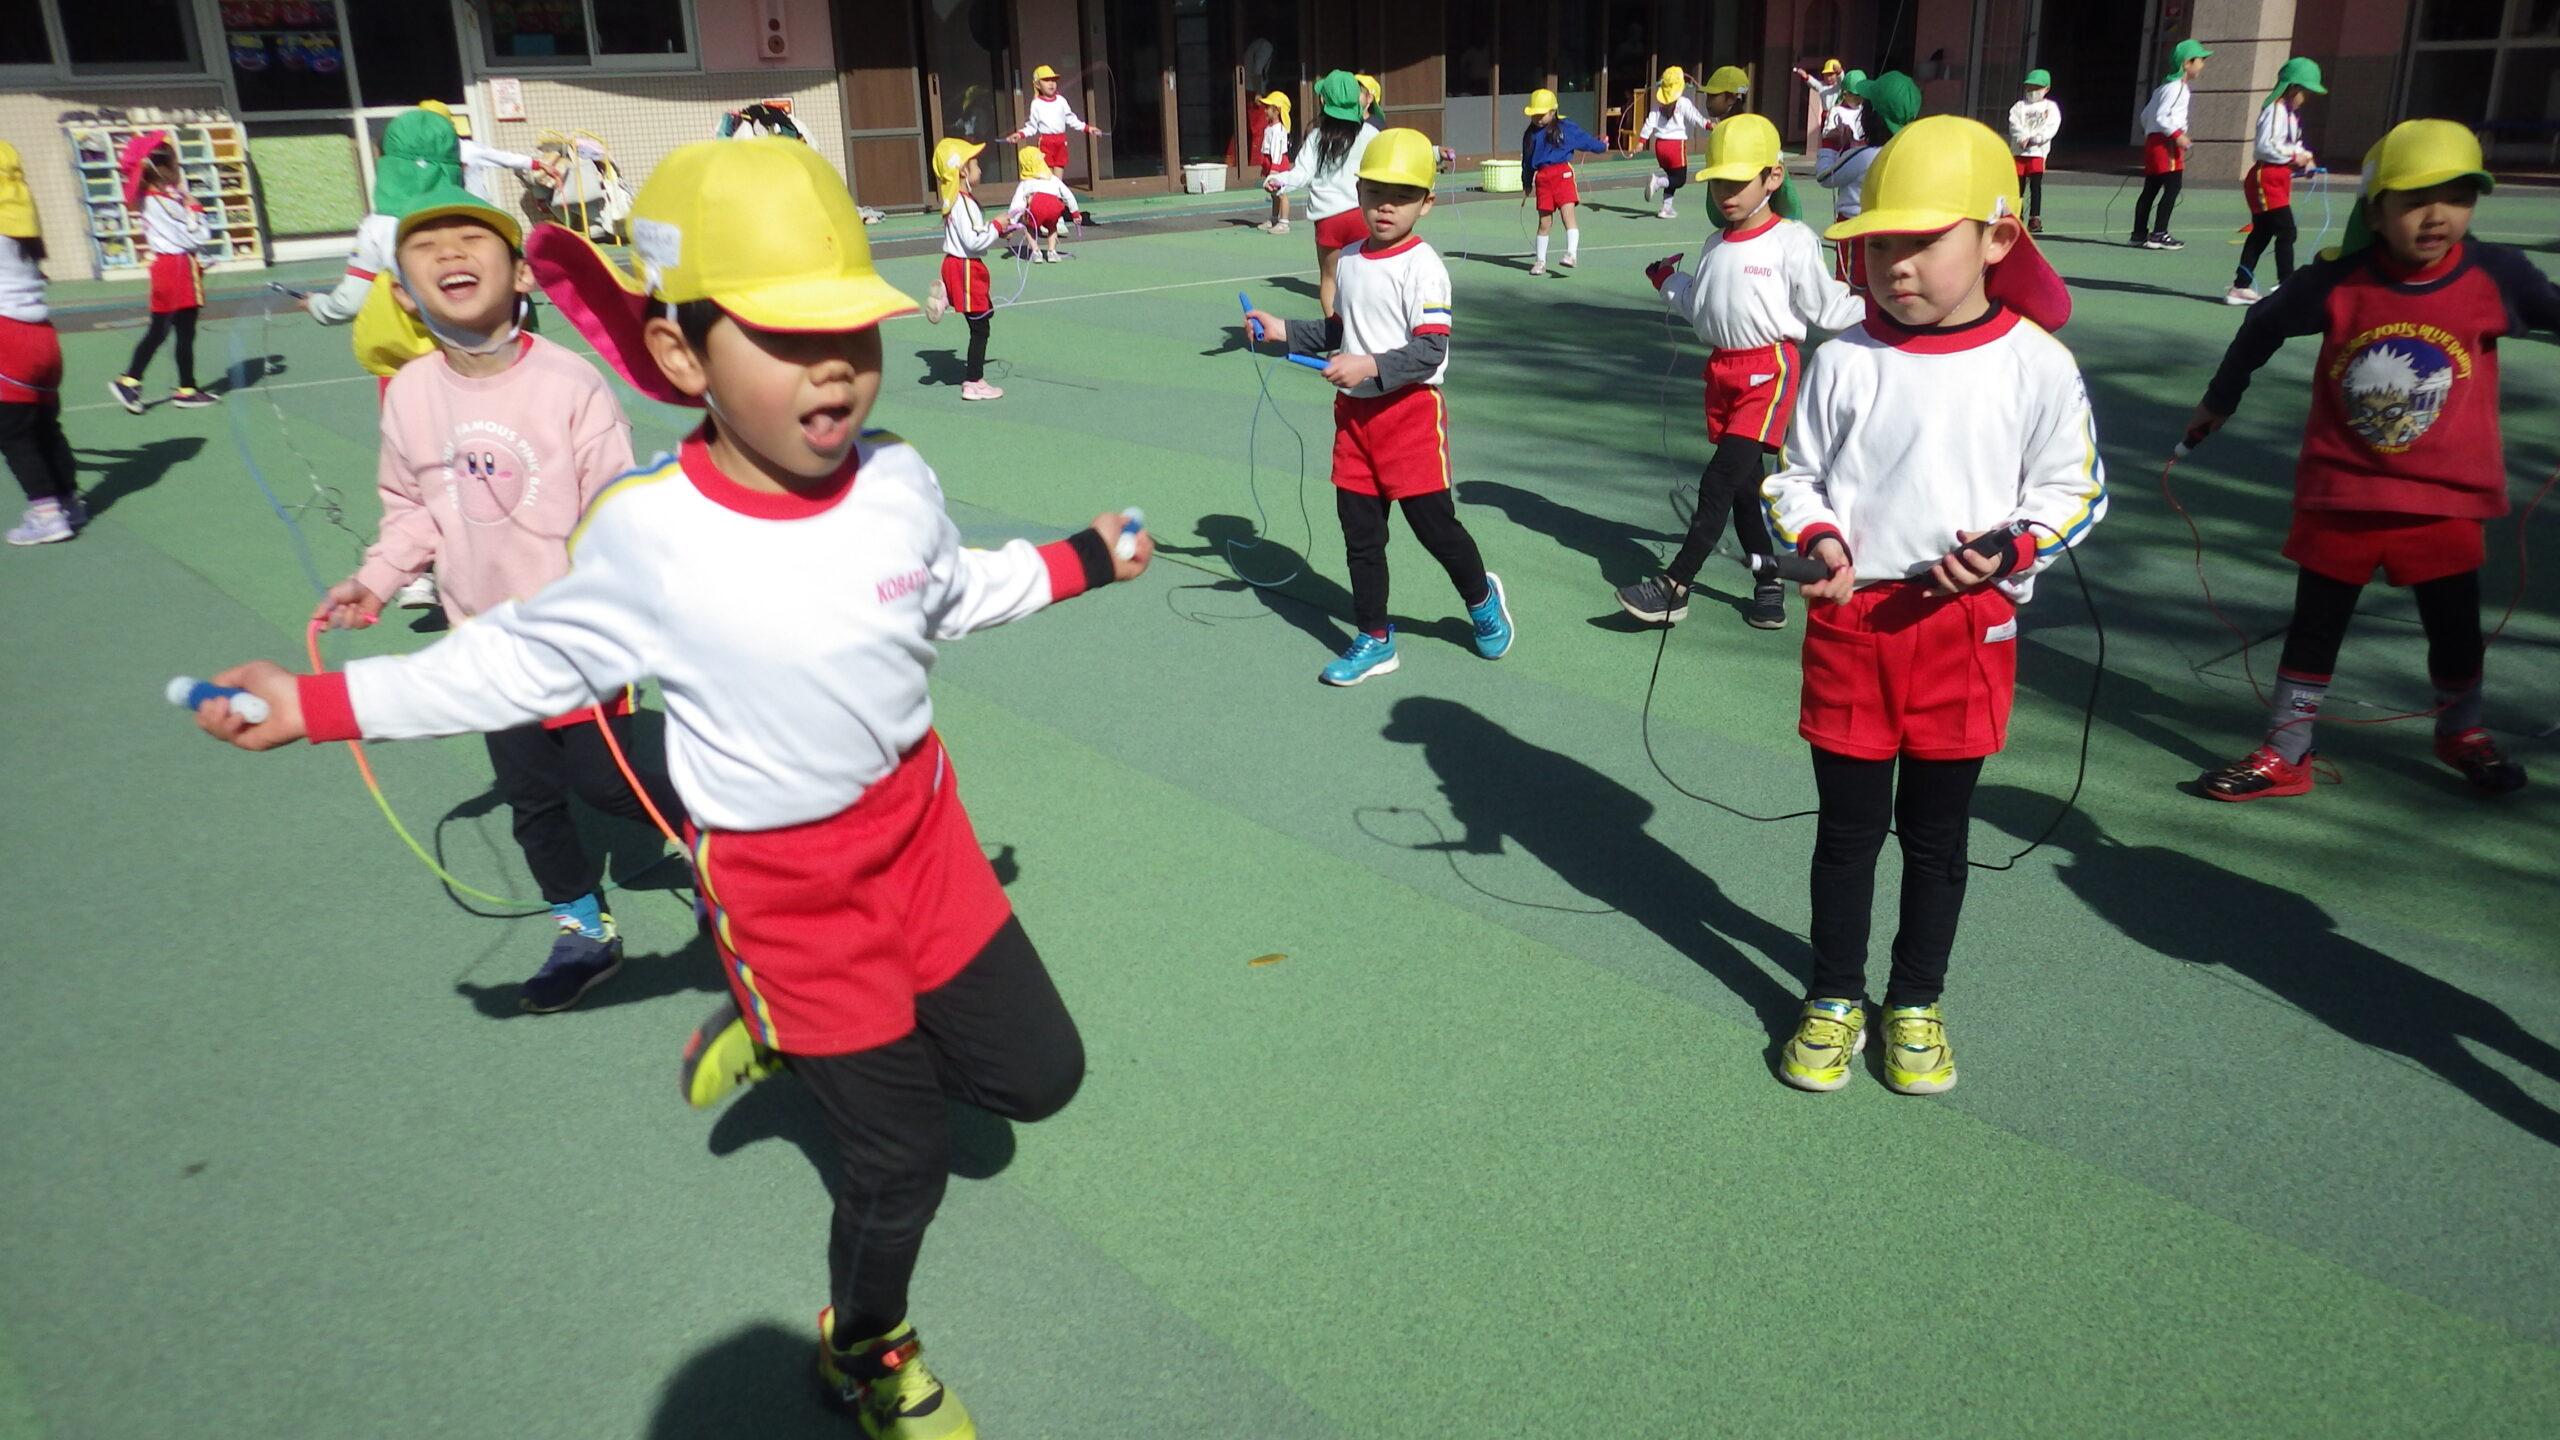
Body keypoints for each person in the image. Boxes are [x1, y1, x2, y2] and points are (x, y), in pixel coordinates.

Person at [188, 136, 1152, 1440]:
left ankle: (777, 1023)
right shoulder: (649, 534)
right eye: (785, 335)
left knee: (1037, 1081)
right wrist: (314, 705)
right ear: (681, 354)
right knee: (904, 1162)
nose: (834, 365)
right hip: (787, 886)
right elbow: (506, 664)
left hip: (925, 834)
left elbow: (950, 591)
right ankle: (864, 1345)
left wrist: (1082, 558)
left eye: (851, 329)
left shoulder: (896, 478)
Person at [1763, 115, 2104, 1095]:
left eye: (1921, 241)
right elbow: (1794, 477)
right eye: (1878, 246)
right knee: (1846, 835)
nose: (1895, 266)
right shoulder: (1843, 356)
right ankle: (1835, 994)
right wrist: (1818, 538)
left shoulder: (2036, 363)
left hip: (1965, 632)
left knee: (1936, 839)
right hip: (1853, 628)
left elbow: (2074, 490)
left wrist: (2014, 546)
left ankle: (1914, 1000)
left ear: (1999, 237)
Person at [308, 181, 686, 1011]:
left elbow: (618, 508)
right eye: (426, 245)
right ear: (401, 291)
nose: (450, 251)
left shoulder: (570, 383)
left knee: (607, 783)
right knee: (532, 797)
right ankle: (582, 927)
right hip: (486, 640)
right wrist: (376, 578)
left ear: (520, 274)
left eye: (472, 238)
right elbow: (411, 508)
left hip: (583, 637)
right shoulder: (412, 393)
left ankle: (723, 844)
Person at [2187, 120, 2546, 801]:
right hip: (2343, 495)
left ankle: (2461, 732)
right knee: (2315, 627)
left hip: (2444, 499)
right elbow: (2261, 324)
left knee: (2454, 628)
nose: (2437, 215)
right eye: (2415, 200)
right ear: (2375, 210)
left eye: (2458, 197)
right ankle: (2287, 750)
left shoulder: (2497, 276)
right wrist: (2219, 400)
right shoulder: (2339, 280)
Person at [1242, 128, 1513, 687]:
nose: (1387, 206)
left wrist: (1367, 365)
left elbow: (1431, 349)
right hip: (1354, 422)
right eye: (1376, 192)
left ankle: (1481, 598)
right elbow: (1339, 330)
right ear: (1358, 191)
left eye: (1403, 195)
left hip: (1410, 416)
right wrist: (1282, 329)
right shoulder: (1348, 260)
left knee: (1435, 528)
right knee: (1361, 537)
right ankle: (1374, 637)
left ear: (1426, 203)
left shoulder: (1424, 267)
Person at [1620, 114, 1865, 631]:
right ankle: (1769, 582)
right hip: (1722, 372)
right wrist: (1668, 281)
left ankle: (1674, 585)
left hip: (1768, 371)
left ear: (1773, 177)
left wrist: (1882, 306)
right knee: (1744, 489)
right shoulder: (1715, 244)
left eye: (1738, 182)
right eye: (1719, 183)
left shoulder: (1792, 241)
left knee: (1719, 479)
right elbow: (1702, 307)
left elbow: (1827, 308)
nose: (1727, 194)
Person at [1, 140, 82, 547]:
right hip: (42, 337)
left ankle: (47, 515)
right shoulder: (21, 230)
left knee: (14, 434)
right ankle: (69, 502)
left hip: (7, 338)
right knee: (46, 426)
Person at [108, 132, 217, 413]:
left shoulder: (155, 197)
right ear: (164, 168)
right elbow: (195, 236)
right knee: (164, 330)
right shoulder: (161, 201)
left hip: (173, 267)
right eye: (175, 163)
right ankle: (130, 380)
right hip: (176, 268)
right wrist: (195, 209)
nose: (178, 168)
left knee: (180, 331)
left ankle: (186, 388)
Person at [1268, 71, 1381, 316]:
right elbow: (1392, 159)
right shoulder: (1371, 134)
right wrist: (1434, 154)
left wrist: (1278, 181)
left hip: (1328, 219)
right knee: (1366, 279)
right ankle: (1364, 329)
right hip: (1361, 216)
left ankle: (1334, 330)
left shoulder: (1317, 137)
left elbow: (1301, 173)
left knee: (1329, 279)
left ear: (1322, 101)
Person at [2228, 58, 2326, 305]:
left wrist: (2307, 159)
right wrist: (2295, 158)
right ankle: (2287, 284)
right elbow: (2266, 146)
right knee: (2286, 230)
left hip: (2278, 178)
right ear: (2293, 88)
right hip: (2266, 178)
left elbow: (2294, 144)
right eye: (2305, 92)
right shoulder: (2275, 110)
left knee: (2262, 233)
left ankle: (2240, 286)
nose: (2306, 98)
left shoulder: (2291, 115)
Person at [924, 137, 1015, 401]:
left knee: (983, 315)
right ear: (963, 170)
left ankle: (947, 297)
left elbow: (973, 234)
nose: (980, 169)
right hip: (965, 268)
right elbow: (973, 241)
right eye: (975, 164)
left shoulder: (958, 200)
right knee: (980, 327)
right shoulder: (964, 203)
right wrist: (995, 226)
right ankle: (973, 382)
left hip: (956, 266)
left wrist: (997, 231)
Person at [1815, 71, 1921, 286]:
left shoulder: (1864, 156)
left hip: (1856, 234)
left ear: (1873, 116)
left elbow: (1826, 176)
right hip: (1896, 234)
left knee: (1852, 289)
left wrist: (1830, 144)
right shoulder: (1912, 154)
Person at [2133, 37, 2211, 250]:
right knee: (2173, 187)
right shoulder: (2178, 88)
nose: (2202, 65)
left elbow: (2145, 115)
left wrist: (2152, 132)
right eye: (2200, 60)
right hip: (2166, 144)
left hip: (2153, 142)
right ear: (2187, 63)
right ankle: (2159, 234)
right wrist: (2177, 135)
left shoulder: (2162, 88)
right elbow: (2162, 116)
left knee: (2150, 189)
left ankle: (2139, 233)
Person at [1521, 87, 1608, 276]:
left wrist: (1602, 147)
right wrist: (1526, 182)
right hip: (1542, 179)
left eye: (1541, 115)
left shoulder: (1566, 127)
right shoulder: (1530, 135)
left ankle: (1571, 254)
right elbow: (1527, 161)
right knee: (1544, 222)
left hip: (1563, 176)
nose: (1537, 119)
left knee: (1567, 216)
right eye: (1534, 115)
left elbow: (1586, 140)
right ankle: (1540, 262)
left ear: (1553, 112)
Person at [419, 98, 537, 207]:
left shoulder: (466, 149)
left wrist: (536, 164)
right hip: (442, 209)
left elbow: (503, 158)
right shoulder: (417, 154)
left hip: (473, 208)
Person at [1639, 66, 1711, 219]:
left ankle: (1666, 208)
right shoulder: (1683, 102)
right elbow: (1695, 118)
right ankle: (1657, 182)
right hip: (1675, 146)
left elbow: (1649, 123)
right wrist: (1709, 125)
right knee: (1679, 180)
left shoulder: (1657, 105)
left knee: (1671, 177)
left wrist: (1641, 141)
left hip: (1660, 146)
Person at [1008, 64, 1099, 177]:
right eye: (1046, 80)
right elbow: (1032, 127)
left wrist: (1088, 128)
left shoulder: (1061, 100)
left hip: (1061, 141)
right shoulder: (1036, 104)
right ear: (1037, 84)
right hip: (1046, 142)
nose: (1051, 83)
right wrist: (1020, 134)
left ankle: (1057, 188)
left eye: (1053, 80)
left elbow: (1071, 118)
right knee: (1048, 177)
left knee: (1058, 177)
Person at [2008, 69, 2060, 234]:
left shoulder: (2050, 107)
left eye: (2037, 87)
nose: (2032, 91)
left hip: (2037, 153)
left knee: (2035, 186)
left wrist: (2037, 138)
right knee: (2018, 187)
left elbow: (2051, 126)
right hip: (2019, 153)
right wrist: (2022, 137)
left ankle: (2034, 218)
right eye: (2029, 87)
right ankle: (2016, 215)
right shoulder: (2019, 106)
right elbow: (2014, 124)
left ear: (2046, 89)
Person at [1005, 144, 1076, 262]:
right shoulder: (1052, 178)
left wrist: (1011, 221)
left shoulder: (1026, 182)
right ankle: (1052, 251)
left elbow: (1017, 203)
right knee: (1052, 226)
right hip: (1054, 206)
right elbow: (1068, 195)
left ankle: (1036, 251)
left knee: (1028, 226)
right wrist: (1075, 213)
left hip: (1036, 206)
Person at [1255, 89, 1293, 233]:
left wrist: (1274, 168)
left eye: (1268, 108)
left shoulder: (1278, 129)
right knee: (1274, 194)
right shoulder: (1269, 128)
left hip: (1277, 165)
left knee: (1281, 193)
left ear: (1277, 111)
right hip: (1270, 164)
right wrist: (1265, 167)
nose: (1265, 111)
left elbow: (1276, 150)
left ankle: (1284, 222)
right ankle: (1274, 219)